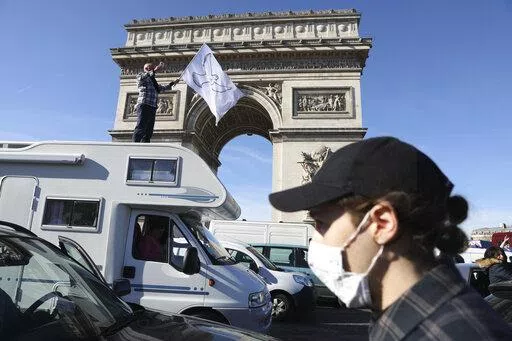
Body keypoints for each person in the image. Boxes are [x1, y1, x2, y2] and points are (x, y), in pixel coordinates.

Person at [268, 136, 512, 340]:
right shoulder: (412, 318)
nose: (315, 242)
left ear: (381, 223)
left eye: (321, 224)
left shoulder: (453, 334)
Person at [132, 62, 179, 142]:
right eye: (152, 68)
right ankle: (134, 145)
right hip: (144, 104)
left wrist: (172, 83)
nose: (154, 71)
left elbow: (161, 88)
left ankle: (144, 147)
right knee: (141, 126)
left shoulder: (153, 81)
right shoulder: (140, 76)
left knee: (149, 131)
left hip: (153, 107)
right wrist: (155, 70)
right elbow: (143, 77)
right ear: (147, 69)